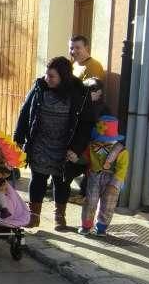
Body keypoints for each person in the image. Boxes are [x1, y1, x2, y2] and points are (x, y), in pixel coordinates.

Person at [14, 56, 94, 230]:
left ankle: (60, 217)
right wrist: (18, 139)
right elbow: (25, 112)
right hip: (40, 142)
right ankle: (33, 216)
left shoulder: (79, 93)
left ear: (63, 77)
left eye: (52, 76)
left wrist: (76, 149)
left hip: (65, 146)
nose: (47, 79)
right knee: (38, 179)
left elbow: (85, 124)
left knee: (62, 181)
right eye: (46, 75)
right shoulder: (39, 88)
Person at [79, 116, 129, 237]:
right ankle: (86, 225)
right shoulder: (91, 146)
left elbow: (122, 169)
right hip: (94, 176)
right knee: (91, 200)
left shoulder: (121, 151)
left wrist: (115, 184)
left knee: (109, 203)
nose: (102, 141)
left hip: (111, 179)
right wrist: (76, 158)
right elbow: (85, 159)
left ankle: (101, 227)